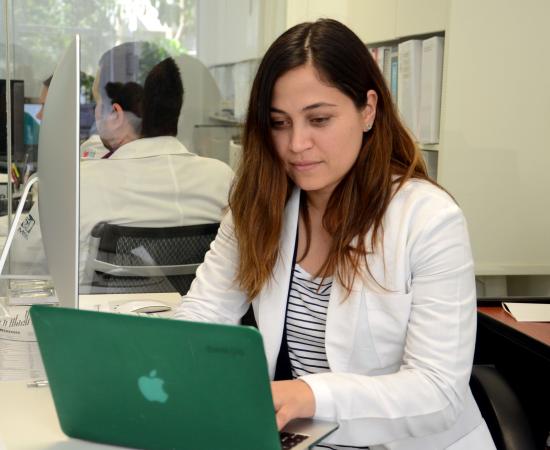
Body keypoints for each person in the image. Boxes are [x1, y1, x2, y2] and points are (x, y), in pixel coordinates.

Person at [174, 19, 496, 449]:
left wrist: (309, 394)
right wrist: (161, 361)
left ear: (368, 110)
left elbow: (438, 392)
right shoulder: (257, 207)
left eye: (319, 119)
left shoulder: (430, 220)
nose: (296, 144)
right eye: (279, 123)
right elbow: (202, 315)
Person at [79, 50, 234, 288]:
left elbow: (28, 258)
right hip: (197, 311)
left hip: (102, 312)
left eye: (98, 103)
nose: (95, 112)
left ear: (116, 115)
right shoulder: (222, 179)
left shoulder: (81, 184)